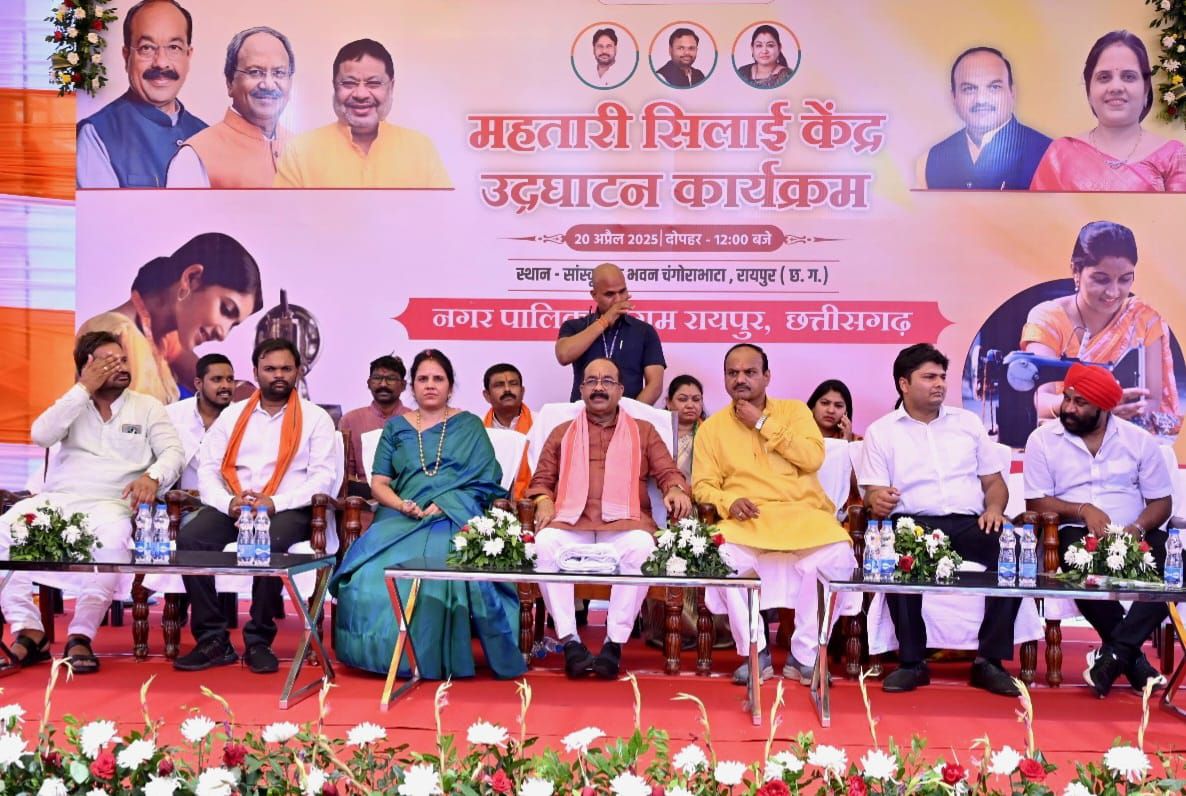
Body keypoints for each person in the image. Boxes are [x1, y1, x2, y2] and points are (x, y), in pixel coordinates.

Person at [331, 350, 525, 679]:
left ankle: (429, 657)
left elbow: (487, 480)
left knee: (437, 573)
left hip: (455, 517)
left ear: (450, 386)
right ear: (412, 386)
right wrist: (400, 504)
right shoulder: (396, 428)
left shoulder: (469, 426)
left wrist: (448, 501)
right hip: (400, 518)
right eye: (423, 379)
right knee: (368, 576)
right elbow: (379, 483)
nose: (430, 385)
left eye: (438, 379)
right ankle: (378, 656)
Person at [0, 332, 182, 672]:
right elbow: (41, 435)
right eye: (110, 362)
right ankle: (28, 631)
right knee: (3, 530)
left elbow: (173, 452)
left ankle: (80, 635)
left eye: (123, 360)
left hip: (110, 505)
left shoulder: (147, 407)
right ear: (87, 367)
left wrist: (153, 476)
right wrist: (83, 388)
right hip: (57, 502)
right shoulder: (73, 403)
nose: (122, 367)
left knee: (112, 540)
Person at [859, 343, 1020, 696]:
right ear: (904, 384)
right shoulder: (881, 432)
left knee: (1015, 549)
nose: (940, 384)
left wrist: (994, 509)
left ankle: (989, 661)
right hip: (913, 524)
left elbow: (994, 483)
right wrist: (877, 500)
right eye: (929, 377)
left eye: (942, 377)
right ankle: (912, 662)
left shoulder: (968, 423)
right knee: (897, 552)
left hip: (970, 522)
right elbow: (872, 492)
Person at [693, 344, 856, 684]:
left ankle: (805, 655)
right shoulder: (711, 428)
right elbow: (703, 486)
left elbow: (812, 458)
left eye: (750, 372)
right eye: (733, 373)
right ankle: (756, 650)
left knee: (839, 555)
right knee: (722, 556)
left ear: (767, 376)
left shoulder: (795, 412)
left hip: (804, 516)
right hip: (748, 521)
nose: (740, 379)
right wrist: (728, 501)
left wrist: (761, 422)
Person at [174, 338, 337, 674]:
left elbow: (322, 478)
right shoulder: (233, 415)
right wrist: (228, 503)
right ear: (255, 371)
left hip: (289, 508)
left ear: (298, 371)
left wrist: (274, 503)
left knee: (268, 541)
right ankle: (212, 639)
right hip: (235, 505)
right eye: (270, 369)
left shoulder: (315, 418)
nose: (278, 375)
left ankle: (259, 639)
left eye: (285, 369)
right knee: (190, 540)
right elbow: (208, 470)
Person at [528, 358, 691, 679]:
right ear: (581, 390)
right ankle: (570, 641)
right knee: (544, 544)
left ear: (620, 390)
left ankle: (613, 643)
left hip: (624, 524)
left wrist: (675, 488)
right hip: (572, 523)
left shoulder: (644, 431)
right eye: (591, 381)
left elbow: (668, 471)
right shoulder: (562, 432)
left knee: (642, 546)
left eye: (607, 381)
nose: (599, 387)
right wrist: (544, 501)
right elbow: (541, 479)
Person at [1023, 363, 1172, 697]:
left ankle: (1114, 655)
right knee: (1074, 559)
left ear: (1104, 408)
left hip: (1134, 532)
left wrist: (1137, 528)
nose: (1069, 408)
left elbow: (1162, 502)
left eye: (1080, 403)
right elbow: (1036, 502)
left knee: (1178, 567)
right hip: (1075, 532)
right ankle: (1131, 659)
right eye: (1067, 398)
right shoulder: (1042, 440)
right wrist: (1082, 509)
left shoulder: (1139, 441)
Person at [1020, 220, 1180, 436]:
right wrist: (1092, 409)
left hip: (1127, 433)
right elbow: (1041, 401)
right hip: (1067, 433)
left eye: (1125, 279)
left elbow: (1152, 399)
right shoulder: (1047, 318)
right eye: (1101, 279)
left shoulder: (1143, 316)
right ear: (1076, 270)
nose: (1113, 292)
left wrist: (1115, 417)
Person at [76, 232, 263, 405]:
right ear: (191, 278)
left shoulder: (164, 341)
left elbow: (213, 384)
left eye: (233, 325)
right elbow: (112, 423)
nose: (223, 334)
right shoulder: (112, 333)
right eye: (226, 309)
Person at [274, 38, 450, 188]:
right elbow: (281, 216)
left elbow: (441, 213)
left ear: (391, 87)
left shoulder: (420, 149)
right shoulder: (300, 151)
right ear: (334, 86)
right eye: (349, 83)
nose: (361, 94)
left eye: (374, 83)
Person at [1030, 31, 1186, 192]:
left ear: (1146, 89)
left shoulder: (1173, 157)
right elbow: (1038, 208)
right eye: (1104, 77)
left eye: (1129, 76)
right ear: (1089, 90)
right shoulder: (1060, 155)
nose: (1116, 87)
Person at [76, 0, 206, 188]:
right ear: (126, 56)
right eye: (147, 48)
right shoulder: (96, 134)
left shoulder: (207, 137)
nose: (161, 63)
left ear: (188, 55)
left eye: (174, 47)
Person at [166, 27, 295, 188]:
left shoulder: (301, 150)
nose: (268, 84)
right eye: (255, 72)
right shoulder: (193, 157)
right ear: (230, 82)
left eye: (279, 73)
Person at [921, 47, 1051, 190]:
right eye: (969, 89)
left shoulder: (1047, 154)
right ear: (954, 98)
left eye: (994, 87)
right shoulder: (935, 158)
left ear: (1012, 93)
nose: (981, 100)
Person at [555, 263, 666, 404]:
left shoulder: (644, 331)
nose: (618, 299)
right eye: (610, 294)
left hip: (630, 414)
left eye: (622, 291)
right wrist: (605, 321)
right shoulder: (575, 327)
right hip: (582, 414)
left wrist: (628, 415)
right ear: (594, 295)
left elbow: (655, 385)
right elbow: (563, 355)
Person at [339, 355, 412, 498]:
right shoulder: (350, 420)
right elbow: (345, 474)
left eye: (391, 378)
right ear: (368, 383)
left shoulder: (415, 420)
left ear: (403, 385)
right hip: (362, 500)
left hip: (407, 498)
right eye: (377, 378)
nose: (383, 384)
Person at [166, 352, 234, 490]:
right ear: (198, 383)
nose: (225, 385)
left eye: (230, 379)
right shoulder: (172, 414)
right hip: (176, 499)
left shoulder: (241, 418)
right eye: (217, 379)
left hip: (224, 499)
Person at [481, 363, 533, 501]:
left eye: (513, 384)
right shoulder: (477, 429)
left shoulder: (539, 423)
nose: (507, 389)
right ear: (487, 395)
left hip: (530, 502)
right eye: (499, 385)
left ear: (522, 391)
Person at [667, 374, 705, 480]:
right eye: (683, 399)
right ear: (669, 403)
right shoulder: (656, 432)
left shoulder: (708, 434)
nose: (690, 405)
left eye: (696, 400)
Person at [736, 25, 792, 89]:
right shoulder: (742, 72)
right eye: (759, 45)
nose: (764, 51)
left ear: (779, 48)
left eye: (770, 45)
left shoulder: (787, 76)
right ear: (752, 48)